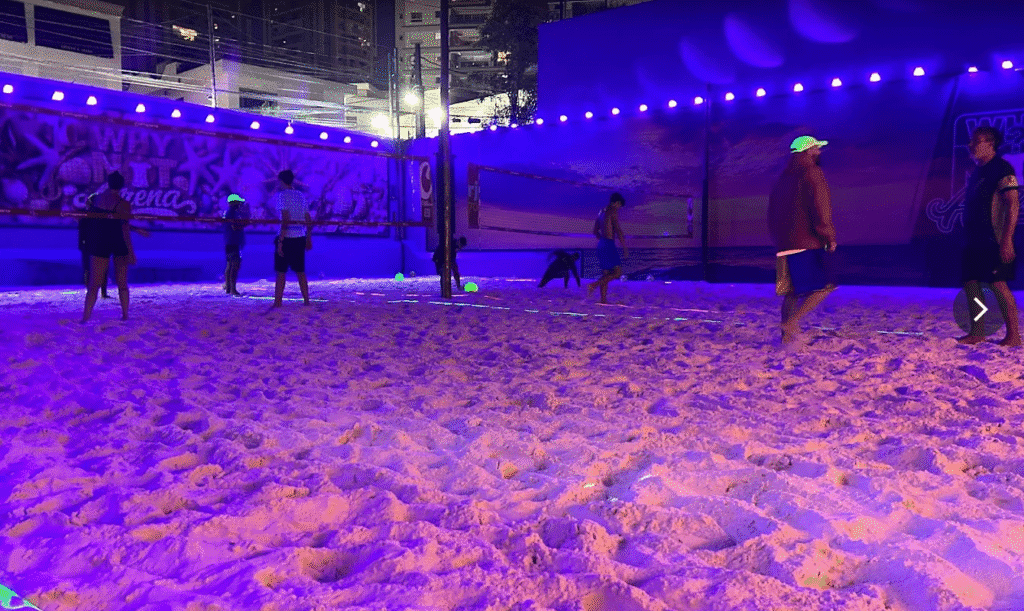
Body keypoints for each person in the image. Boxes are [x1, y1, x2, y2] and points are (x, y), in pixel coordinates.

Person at [767, 135, 838, 344]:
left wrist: (778, 239)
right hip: (805, 242)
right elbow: (820, 209)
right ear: (808, 152)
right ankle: (792, 323)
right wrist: (828, 237)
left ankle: (786, 338)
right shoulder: (812, 173)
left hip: (784, 244)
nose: (819, 152)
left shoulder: (782, 178)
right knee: (825, 285)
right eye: (816, 149)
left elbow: (772, 212)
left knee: (791, 292)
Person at [958, 126, 1021, 347]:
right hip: (974, 240)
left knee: (998, 283)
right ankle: (977, 332)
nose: (972, 145)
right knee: (971, 283)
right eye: (972, 141)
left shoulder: (1002, 168)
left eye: (977, 141)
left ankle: (1013, 336)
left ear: (990, 143)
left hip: (994, 238)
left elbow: (1013, 204)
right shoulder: (978, 172)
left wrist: (1007, 239)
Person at [81, 171, 149, 323]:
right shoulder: (124, 204)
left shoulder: (96, 199)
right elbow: (122, 228)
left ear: (108, 182)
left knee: (94, 284)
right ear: (122, 185)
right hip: (117, 240)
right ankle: (125, 315)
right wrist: (131, 252)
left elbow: (109, 222)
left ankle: (85, 317)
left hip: (100, 240)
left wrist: (136, 229)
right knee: (122, 284)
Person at [270, 169, 312, 307]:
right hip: (300, 236)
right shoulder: (300, 195)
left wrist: (281, 241)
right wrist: (308, 238)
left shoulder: (282, 196)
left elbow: (285, 219)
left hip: (287, 238)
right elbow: (308, 218)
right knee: (300, 271)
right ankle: (306, 300)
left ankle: (278, 302)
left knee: (281, 272)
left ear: (281, 181)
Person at [587, 193, 627, 303]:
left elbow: (595, 231)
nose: (619, 208)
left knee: (605, 273)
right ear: (617, 203)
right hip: (609, 243)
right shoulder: (613, 211)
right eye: (620, 206)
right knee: (617, 272)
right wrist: (624, 247)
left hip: (601, 244)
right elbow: (618, 230)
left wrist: (602, 240)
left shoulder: (601, 212)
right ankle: (593, 285)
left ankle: (603, 300)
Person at [78, 192, 109, 299]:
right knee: (101, 268)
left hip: (92, 244)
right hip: (97, 244)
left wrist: (81, 245)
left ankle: (92, 291)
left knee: (90, 268)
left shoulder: (90, 215)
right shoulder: (104, 215)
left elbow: (82, 232)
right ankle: (102, 293)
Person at [223, 193, 249, 296]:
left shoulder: (229, 212)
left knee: (230, 265)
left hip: (230, 241)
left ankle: (229, 288)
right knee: (235, 265)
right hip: (234, 242)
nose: (240, 204)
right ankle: (232, 289)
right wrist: (245, 223)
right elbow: (235, 227)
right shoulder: (232, 213)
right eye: (238, 202)